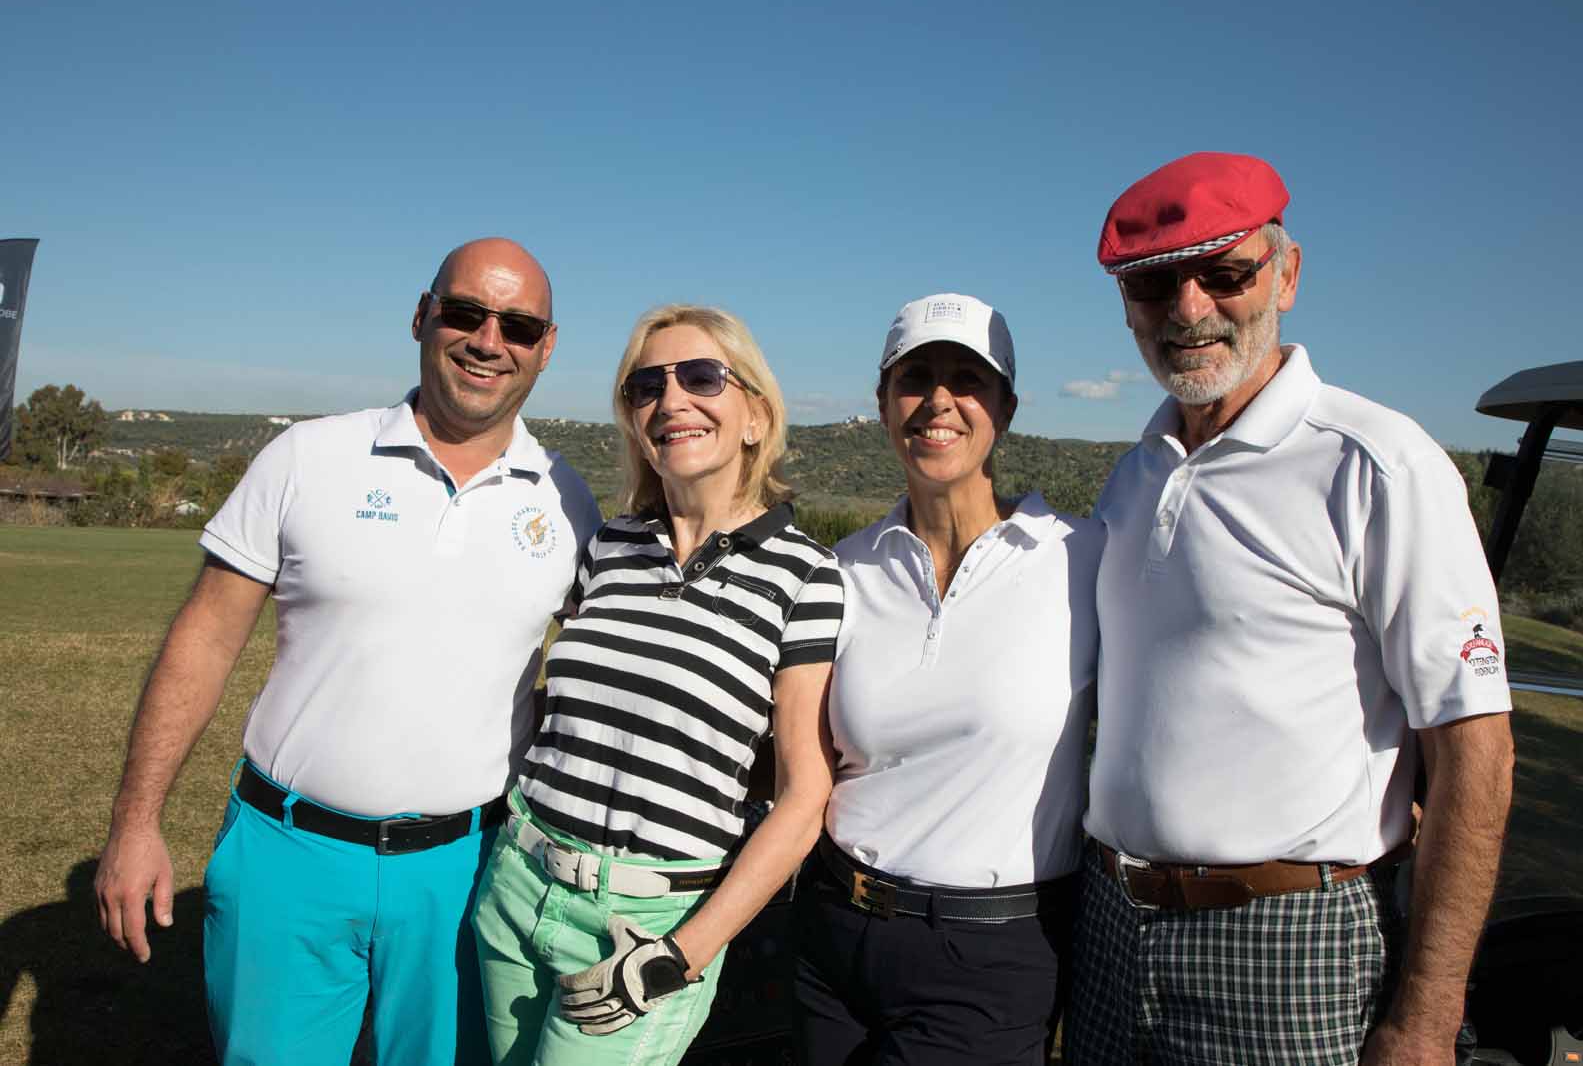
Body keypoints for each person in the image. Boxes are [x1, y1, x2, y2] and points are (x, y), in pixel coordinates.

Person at [93, 238, 602, 1066]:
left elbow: (602, 676)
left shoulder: (567, 497)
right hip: (287, 855)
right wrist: (135, 820)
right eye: (465, 313)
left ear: (546, 347)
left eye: (517, 326)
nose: (488, 341)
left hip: (469, 869)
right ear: (422, 315)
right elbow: (206, 636)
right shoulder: (308, 456)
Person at [1068, 152, 1516, 1065]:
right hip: (1111, 924)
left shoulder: (1377, 464)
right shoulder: (1133, 474)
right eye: (1153, 283)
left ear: (1287, 273)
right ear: (1125, 304)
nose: (1189, 308)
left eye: (1223, 273)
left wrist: (1426, 1017)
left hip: (1287, 937)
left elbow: (1475, 752)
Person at [473, 304, 844, 1065]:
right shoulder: (610, 546)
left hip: (642, 930)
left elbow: (805, 795)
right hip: (518, 881)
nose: (671, 399)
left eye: (701, 377)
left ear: (755, 415)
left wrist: (681, 954)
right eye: (646, 387)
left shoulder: (806, 574)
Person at [792, 293, 1102, 1064]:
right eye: (914, 378)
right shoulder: (843, 568)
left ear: (1006, 407)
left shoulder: (1083, 558)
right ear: (882, 403)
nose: (938, 400)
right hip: (833, 929)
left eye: (967, 379)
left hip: (991, 954)